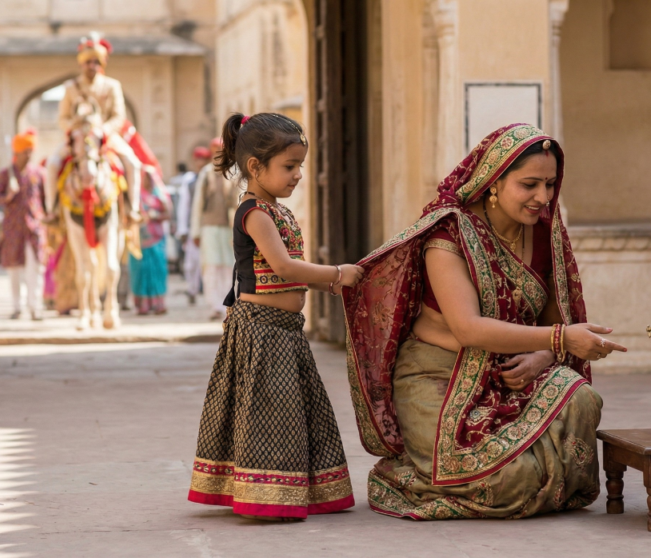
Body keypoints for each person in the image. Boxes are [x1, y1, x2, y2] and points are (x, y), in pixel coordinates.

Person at [342, 124, 628, 520]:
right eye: (529, 184)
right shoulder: (449, 234)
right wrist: (562, 340)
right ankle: (412, 473)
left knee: (581, 399)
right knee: (513, 481)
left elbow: (551, 324)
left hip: (510, 372)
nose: (542, 198)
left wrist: (544, 357)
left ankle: (539, 475)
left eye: (549, 184)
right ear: (493, 181)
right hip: (437, 375)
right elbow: (469, 329)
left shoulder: (544, 233)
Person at [188, 113, 364, 521]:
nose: (299, 174)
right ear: (255, 167)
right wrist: (338, 275)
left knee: (297, 411)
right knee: (273, 414)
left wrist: (338, 279)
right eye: (290, 166)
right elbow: (285, 269)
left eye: (300, 165)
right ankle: (267, 494)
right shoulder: (255, 213)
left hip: (285, 331)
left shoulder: (275, 210)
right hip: (260, 330)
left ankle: (297, 490)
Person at [44, 32, 141, 224]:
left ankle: (133, 209)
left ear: (102, 64)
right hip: (78, 138)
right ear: (82, 64)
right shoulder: (71, 87)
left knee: (133, 163)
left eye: (96, 62)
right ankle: (52, 211)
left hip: (106, 138)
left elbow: (119, 117)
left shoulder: (112, 86)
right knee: (52, 164)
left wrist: (102, 131)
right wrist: (75, 126)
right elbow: (62, 119)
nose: (92, 66)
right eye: (88, 62)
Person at [0, 129, 47, 321]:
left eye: (31, 151)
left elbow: (46, 200)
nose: (29, 155)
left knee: (36, 269)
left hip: (34, 228)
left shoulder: (39, 173)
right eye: (26, 151)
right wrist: (9, 195)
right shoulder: (6, 174)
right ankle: (18, 306)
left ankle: (35, 306)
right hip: (13, 228)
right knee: (14, 269)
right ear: (18, 153)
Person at [190, 138, 238, 320]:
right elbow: (198, 204)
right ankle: (215, 306)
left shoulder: (234, 172)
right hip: (209, 227)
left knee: (229, 267)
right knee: (211, 268)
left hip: (229, 228)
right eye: (215, 149)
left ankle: (228, 305)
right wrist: (196, 231)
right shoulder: (206, 173)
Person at [128, 167, 173, 315]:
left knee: (157, 271)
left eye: (148, 177)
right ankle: (142, 305)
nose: (146, 180)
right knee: (140, 272)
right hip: (138, 241)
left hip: (156, 240)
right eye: (144, 177)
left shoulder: (159, 195)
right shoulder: (135, 195)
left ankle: (158, 304)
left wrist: (155, 216)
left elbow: (168, 214)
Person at [174, 149, 211, 303]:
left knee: (210, 264)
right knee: (191, 263)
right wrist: (183, 229)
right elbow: (185, 207)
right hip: (193, 227)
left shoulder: (214, 178)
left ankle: (210, 294)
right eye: (198, 160)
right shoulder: (190, 182)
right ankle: (192, 289)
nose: (200, 163)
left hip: (209, 225)